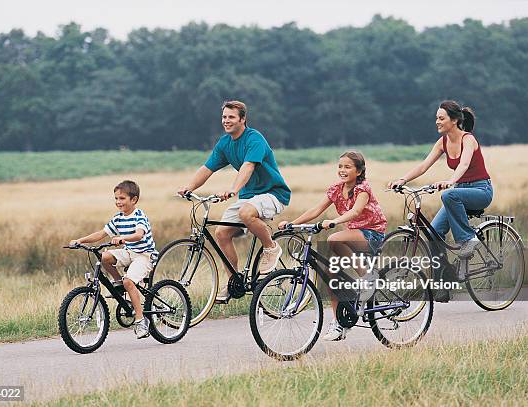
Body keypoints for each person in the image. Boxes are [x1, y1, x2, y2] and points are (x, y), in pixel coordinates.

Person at [178, 100, 291, 303]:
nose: (226, 121)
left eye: (231, 117)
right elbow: (207, 169)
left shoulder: (254, 138)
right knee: (221, 233)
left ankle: (271, 248)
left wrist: (233, 189)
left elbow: (248, 166)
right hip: (249, 197)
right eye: (224, 117)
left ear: (243, 119)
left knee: (246, 213)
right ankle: (233, 282)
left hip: (273, 194)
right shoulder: (224, 143)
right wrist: (189, 188)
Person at [278, 151, 387, 341]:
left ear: (359, 171)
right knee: (331, 275)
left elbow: (356, 211)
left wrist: (334, 221)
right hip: (351, 235)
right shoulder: (336, 189)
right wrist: (292, 224)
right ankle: (339, 324)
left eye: (348, 167)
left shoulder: (363, 188)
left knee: (334, 239)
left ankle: (367, 276)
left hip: (372, 233)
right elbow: (316, 209)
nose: (342, 170)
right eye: (340, 166)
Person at [388, 100, 493, 296]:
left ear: (454, 120)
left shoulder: (468, 139)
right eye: (436, 118)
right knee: (433, 234)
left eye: (441, 118)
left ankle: (468, 241)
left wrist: (451, 181)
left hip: (480, 190)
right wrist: (402, 179)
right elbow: (423, 166)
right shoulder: (442, 142)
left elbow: (463, 165)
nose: (437, 121)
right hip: (459, 192)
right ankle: (444, 284)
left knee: (449, 195)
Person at [70, 180, 157, 339]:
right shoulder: (118, 218)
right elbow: (101, 234)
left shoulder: (139, 215)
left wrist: (123, 238)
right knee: (104, 256)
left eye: (122, 198)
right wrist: (80, 240)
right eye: (116, 198)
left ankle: (140, 321)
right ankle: (118, 283)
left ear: (134, 200)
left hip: (145, 255)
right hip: (129, 252)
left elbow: (139, 234)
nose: (118, 202)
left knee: (129, 282)